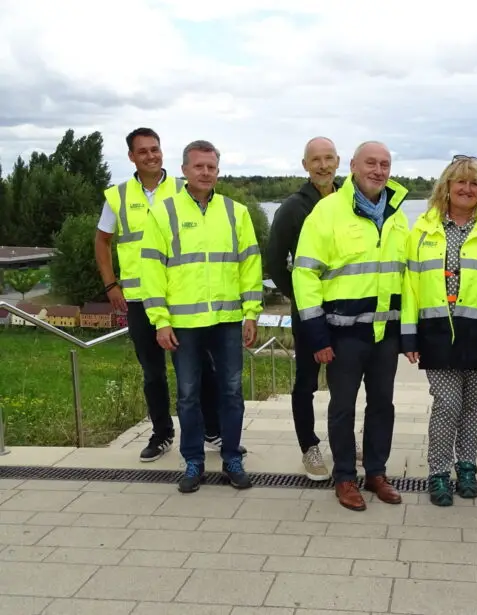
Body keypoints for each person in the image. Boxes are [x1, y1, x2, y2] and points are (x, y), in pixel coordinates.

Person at [95, 128, 244, 462]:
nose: (151, 155)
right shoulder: (117, 196)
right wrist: (111, 285)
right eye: (143, 151)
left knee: (201, 368)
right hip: (136, 298)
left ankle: (212, 429)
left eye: (156, 149)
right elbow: (102, 240)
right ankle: (162, 432)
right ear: (132, 157)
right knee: (153, 371)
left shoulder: (185, 188)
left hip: (180, 302)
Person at [292, 141, 409, 511]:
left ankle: (375, 472)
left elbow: (407, 277)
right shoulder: (326, 213)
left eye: (385, 164)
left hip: (385, 332)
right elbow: (305, 275)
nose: (378, 170)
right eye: (370, 163)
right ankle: (345, 477)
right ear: (354, 167)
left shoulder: (397, 215)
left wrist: (409, 333)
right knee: (342, 407)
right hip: (342, 333)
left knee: (382, 406)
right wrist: (316, 334)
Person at [140, 140, 262, 493]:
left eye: (211, 167)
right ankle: (193, 461)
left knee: (231, 391)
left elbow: (250, 265)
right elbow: (152, 270)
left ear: (218, 171)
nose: (206, 173)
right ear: (184, 171)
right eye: (199, 167)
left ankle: (231, 457)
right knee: (189, 394)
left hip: (226, 320)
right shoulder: (164, 213)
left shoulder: (235, 212)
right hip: (184, 324)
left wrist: (251, 313)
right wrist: (160, 320)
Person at [401, 155, 477, 506]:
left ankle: (466, 467)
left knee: (472, 405)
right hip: (437, 331)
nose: (467, 189)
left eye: (475, 183)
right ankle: (438, 472)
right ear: (446, 187)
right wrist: (409, 335)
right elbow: (410, 285)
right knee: (447, 404)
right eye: (461, 182)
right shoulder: (422, 229)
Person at [267, 137, 360, 481]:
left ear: (339, 162)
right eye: (315, 160)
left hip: (347, 310)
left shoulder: (351, 201)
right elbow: (276, 262)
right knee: (306, 383)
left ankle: (344, 443)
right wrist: (301, 300)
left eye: (328, 158)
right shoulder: (293, 208)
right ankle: (309, 447)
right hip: (310, 314)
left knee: (346, 384)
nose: (323, 165)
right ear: (304, 165)